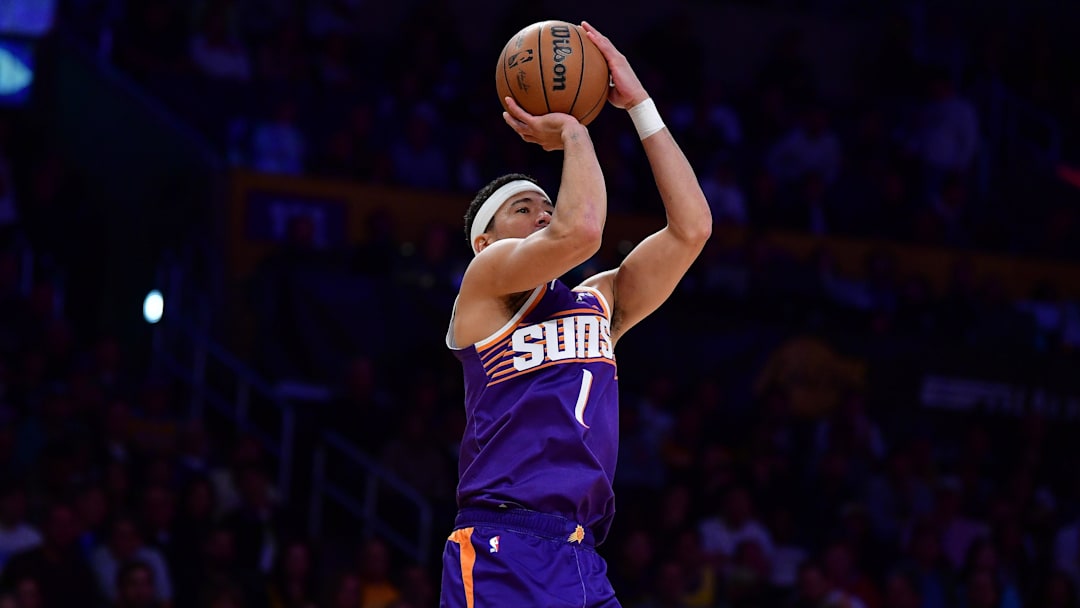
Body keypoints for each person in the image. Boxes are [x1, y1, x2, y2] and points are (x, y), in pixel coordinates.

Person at [439, 21, 712, 607]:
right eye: (522, 208)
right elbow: (582, 229)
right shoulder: (485, 286)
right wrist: (573, 131)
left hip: (582, 555)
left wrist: (639, 106)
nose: (542, 214)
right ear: (486, 243)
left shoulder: (599, 301)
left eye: (545, 202)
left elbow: (692, 229)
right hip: (502, 546)